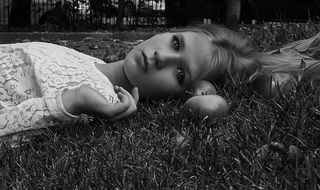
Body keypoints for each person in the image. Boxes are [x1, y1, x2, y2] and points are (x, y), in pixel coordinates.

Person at [0, 24, 319, 138]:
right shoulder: (83, 60)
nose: (162, 57)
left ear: (183, 94)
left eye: (179, 74)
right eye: (176, 44)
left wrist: (69, 104)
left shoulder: (95, 98)